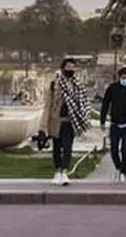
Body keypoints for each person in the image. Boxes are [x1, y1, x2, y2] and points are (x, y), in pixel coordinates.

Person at [39, 57, 92, 186]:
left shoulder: (77, 85)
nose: (71, 69)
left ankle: (64, 171)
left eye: (73, 67)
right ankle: (57, 171)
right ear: (63, 68)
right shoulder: (54, 84)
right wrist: (43, 127)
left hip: (70, 121)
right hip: (56, 121)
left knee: (68, 147)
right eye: (68, 67)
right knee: (57, 148)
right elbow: (48, 106)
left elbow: (83, 103)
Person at [101, 66, 126, 181]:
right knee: (113, 149)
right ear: (119, 77)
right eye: (123, 78)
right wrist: (102, 120)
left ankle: (124, 172)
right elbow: (105, 104)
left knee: (124, 149)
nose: (125, 80)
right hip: (115, 124)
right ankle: (118, 167)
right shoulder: (112, 88)